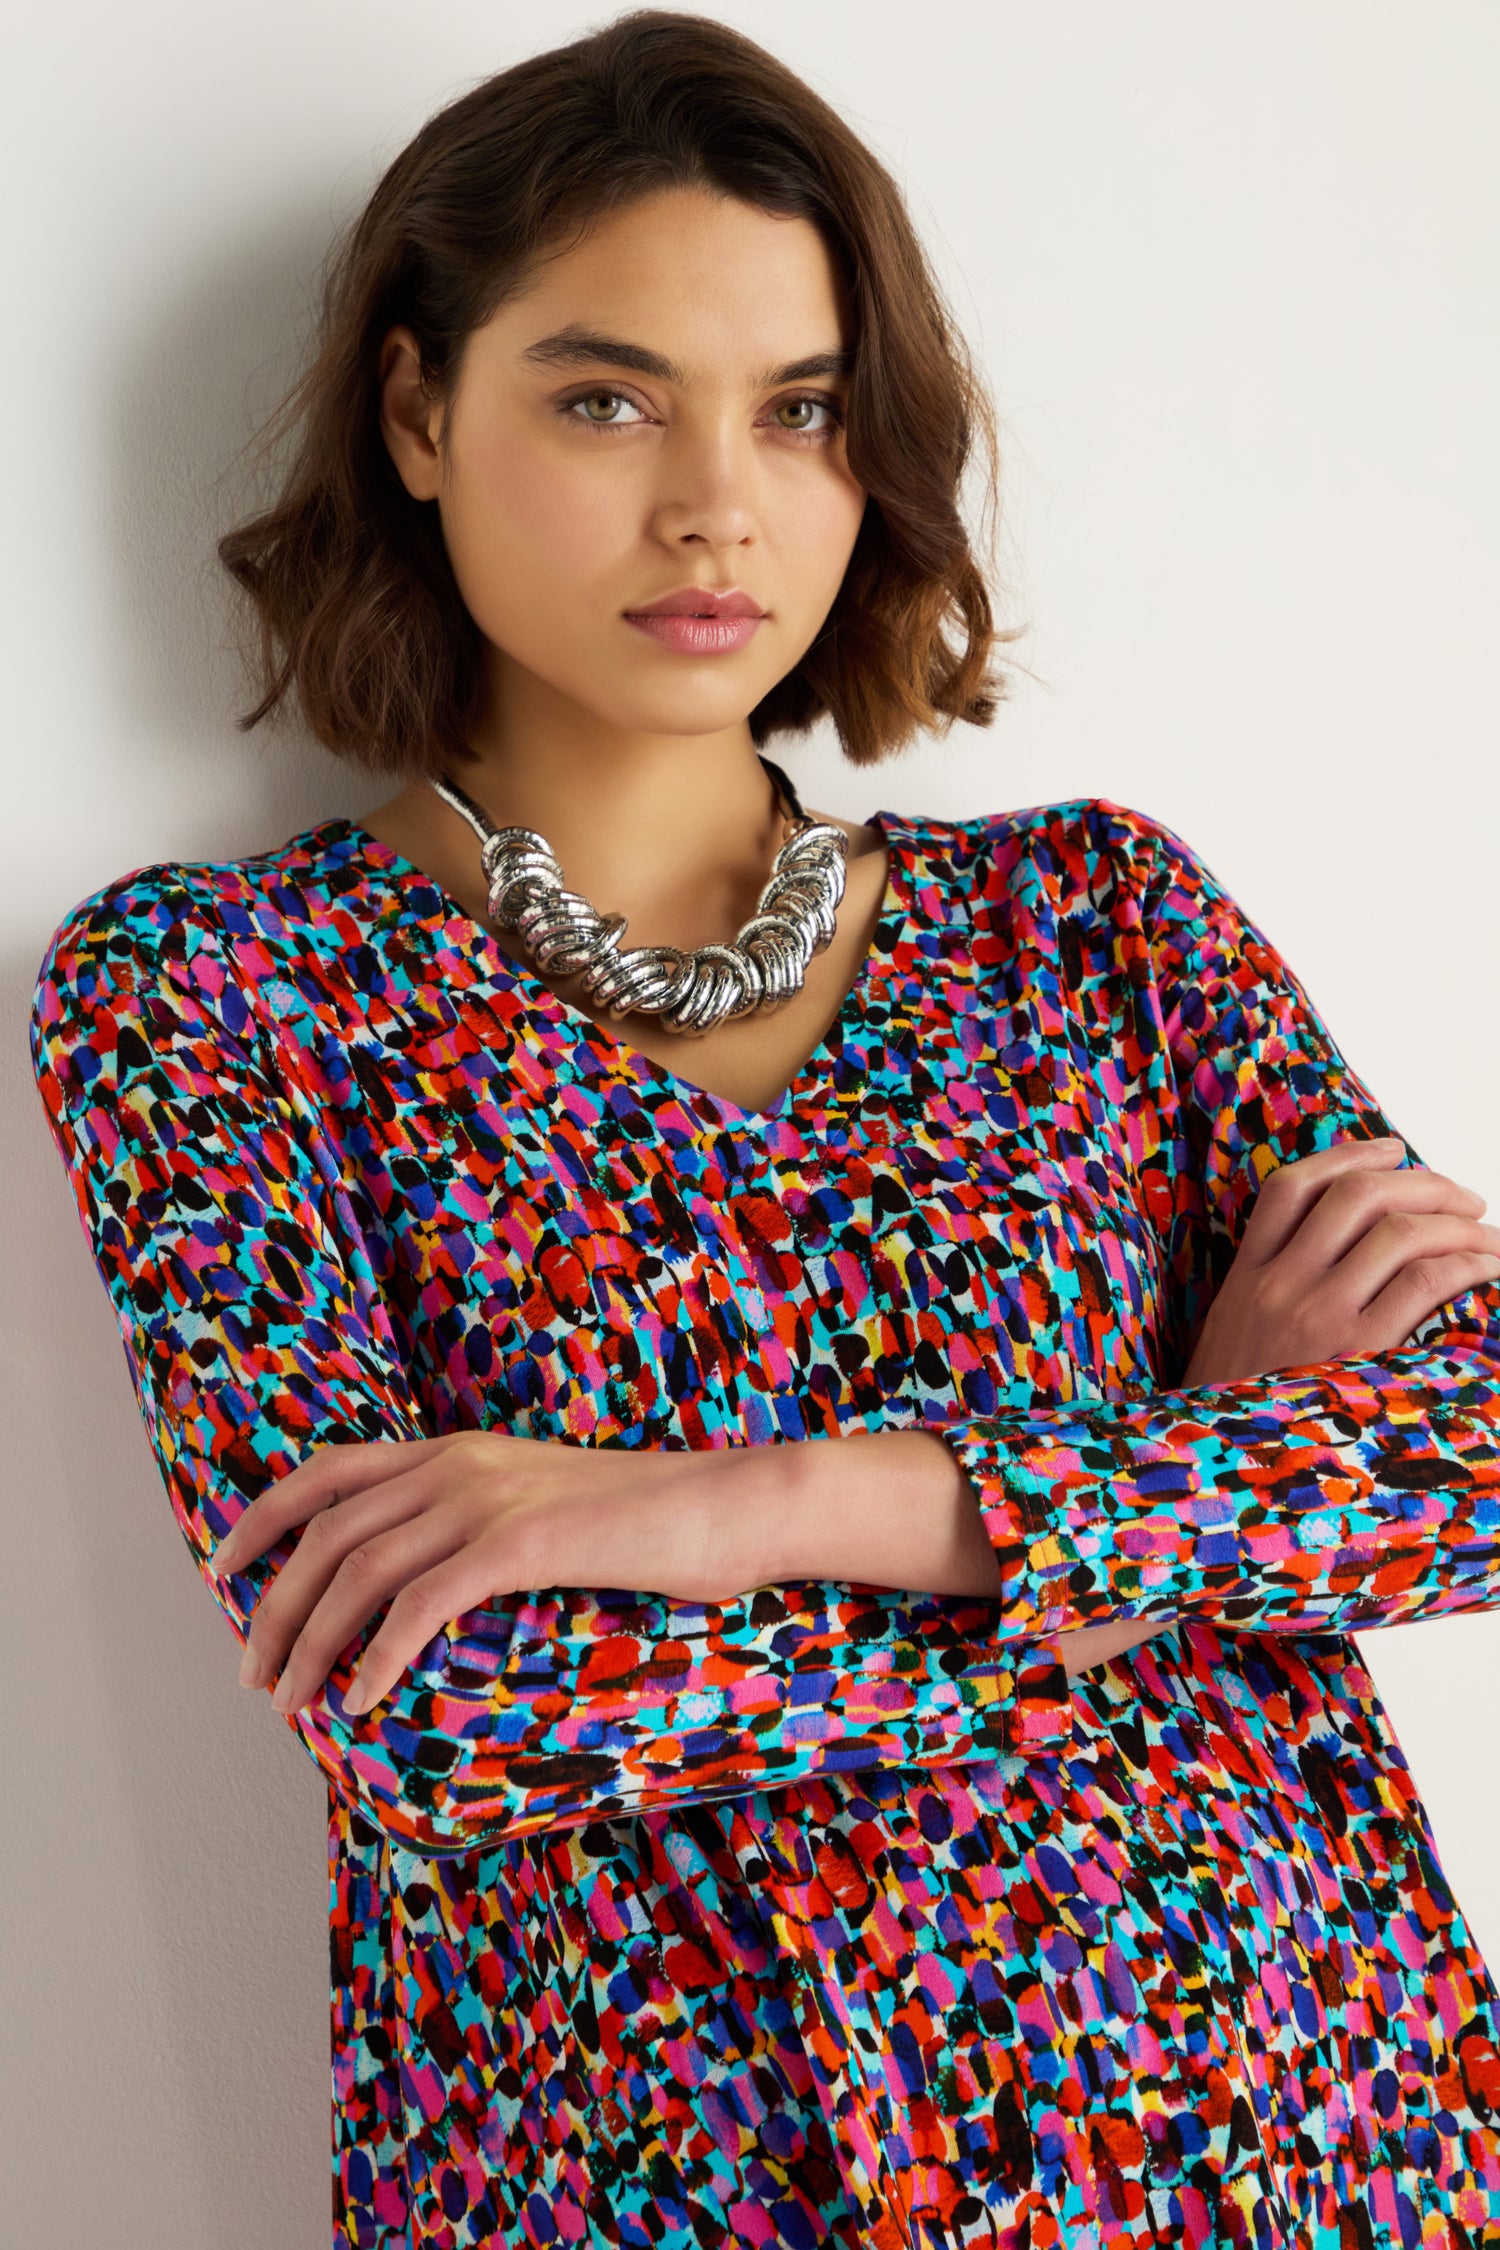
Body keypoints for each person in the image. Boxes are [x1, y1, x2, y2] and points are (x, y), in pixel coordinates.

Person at [28, 11, 1500, 2246]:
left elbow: (1469, 1456)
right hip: (669, 2178)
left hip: (1296, 2130)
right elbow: (445, 1714)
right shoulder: (217, 995)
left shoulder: (1095, 919)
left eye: (801, 410)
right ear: (419, 411)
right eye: (607, 398)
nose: (717, 502)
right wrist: (1170, 1504)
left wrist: (744, 1506)